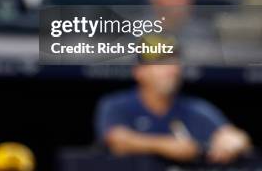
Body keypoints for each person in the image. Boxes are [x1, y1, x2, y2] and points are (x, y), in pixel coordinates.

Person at [95, 52, 251, 164]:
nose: (171, 70)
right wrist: (166, 146)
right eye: (161, 63)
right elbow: (117, 141)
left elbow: (235, 137)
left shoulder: (195, 109)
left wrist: (231, 143)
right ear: (139, 71)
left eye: (174, 62)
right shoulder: (117, 104)